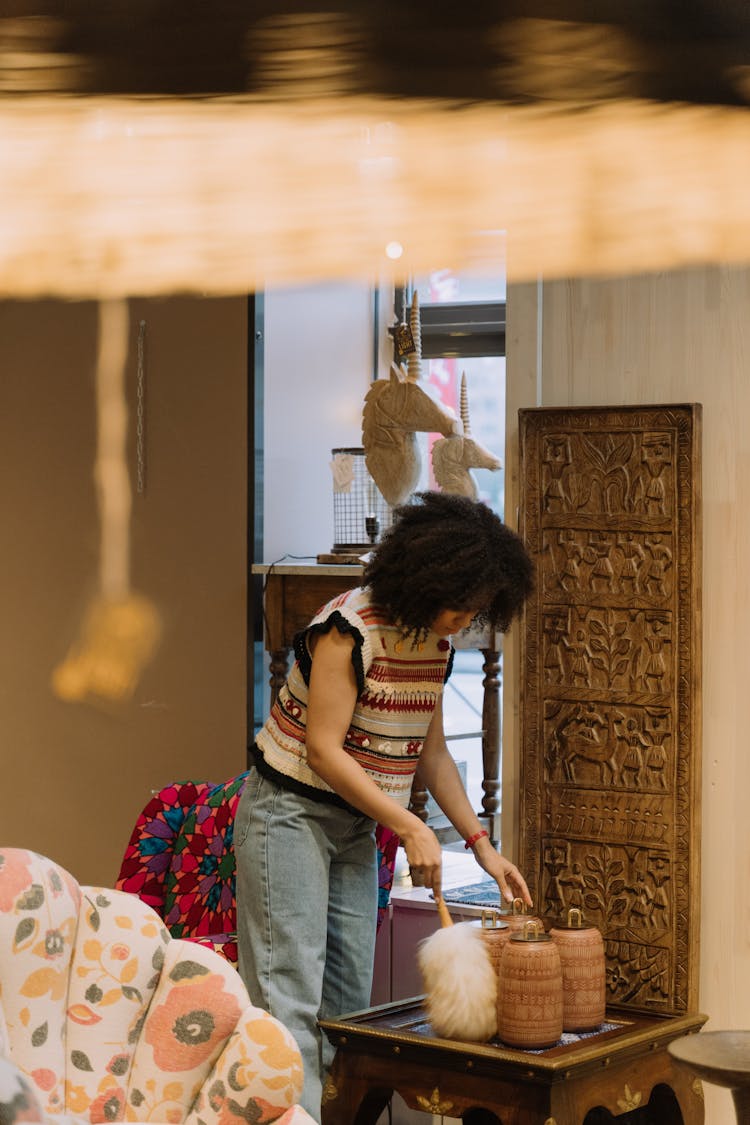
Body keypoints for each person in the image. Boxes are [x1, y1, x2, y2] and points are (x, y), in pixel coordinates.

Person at [234, 491, 535, 1119]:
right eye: (463, 605)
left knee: (349, 1009)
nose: (468, 620)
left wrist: (482, 847)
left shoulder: (434, 643)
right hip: (287, 814)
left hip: (352, 826)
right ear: (429, 581)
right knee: (290, 998)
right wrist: (406, 823)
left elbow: (434, 757)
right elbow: (322, 752)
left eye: (480, 609)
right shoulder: (349, 629)